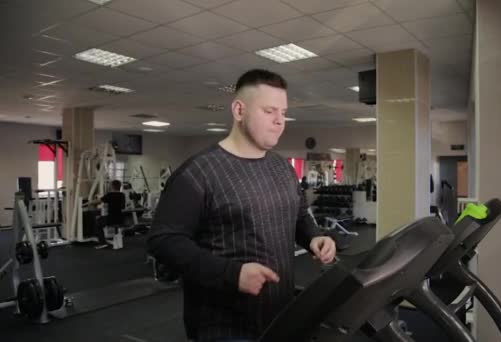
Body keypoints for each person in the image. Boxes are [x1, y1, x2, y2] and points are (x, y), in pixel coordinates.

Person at [147, 69, 336, 342]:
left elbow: (297, 217)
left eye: (283, 113)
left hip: (281, 315)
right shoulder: (199, 173)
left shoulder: (282, 168)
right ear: (238, 110)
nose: (279, 121)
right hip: (223, 325)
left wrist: (314, 237)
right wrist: (231, 274)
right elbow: (163, 241)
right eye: (270, 111)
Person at [88, 180, 126, 249]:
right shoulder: (122, 195)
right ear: (119, 187)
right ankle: (116, 241)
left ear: (112, 186)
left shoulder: (110, 195)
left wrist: (89, 203)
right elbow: (123, 207)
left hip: (111, 219)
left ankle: (102, 243)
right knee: (105, 219)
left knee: (98, 222)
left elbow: (98, 201)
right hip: (121, 219)